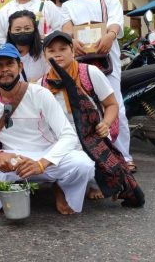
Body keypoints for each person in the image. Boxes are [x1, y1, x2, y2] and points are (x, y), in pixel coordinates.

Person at [0, 43, 94, 215]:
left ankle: (63, 189)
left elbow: (68, 136)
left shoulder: (40, 94)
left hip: (46, 157)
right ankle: (5, 198)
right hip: (13, 162)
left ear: (20, 66)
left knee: (83, 164)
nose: (4, 70)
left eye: (9, 64)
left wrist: (42, 163)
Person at [61, 0, 134, 172]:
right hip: (81, 62)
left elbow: (115, 23)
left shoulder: (110, 0)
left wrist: (110, 36)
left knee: (115, 106)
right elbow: (66, 27)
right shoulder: (69, 5)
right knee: (86, 107)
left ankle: (124, 156)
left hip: (107, 60)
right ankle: (93, 154)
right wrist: (72, 40)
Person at [40, 31, 119, 199]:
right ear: (44, 55)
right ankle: (65, 186)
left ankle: (94, 183)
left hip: (92, 134)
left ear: (72, 50)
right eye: (52, 51)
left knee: (94, 171)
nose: (58, 54)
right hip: (61, 138)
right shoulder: (42, 83)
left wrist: (105, 123)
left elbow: (111, 104)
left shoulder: (89, 73)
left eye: (63, 49)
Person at [5, 10, 48, 82]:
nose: (22, 31)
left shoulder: (45, 52)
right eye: (17, 29)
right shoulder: (3, 54)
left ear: (35, 29)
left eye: (27, 28)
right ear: (10, 31)